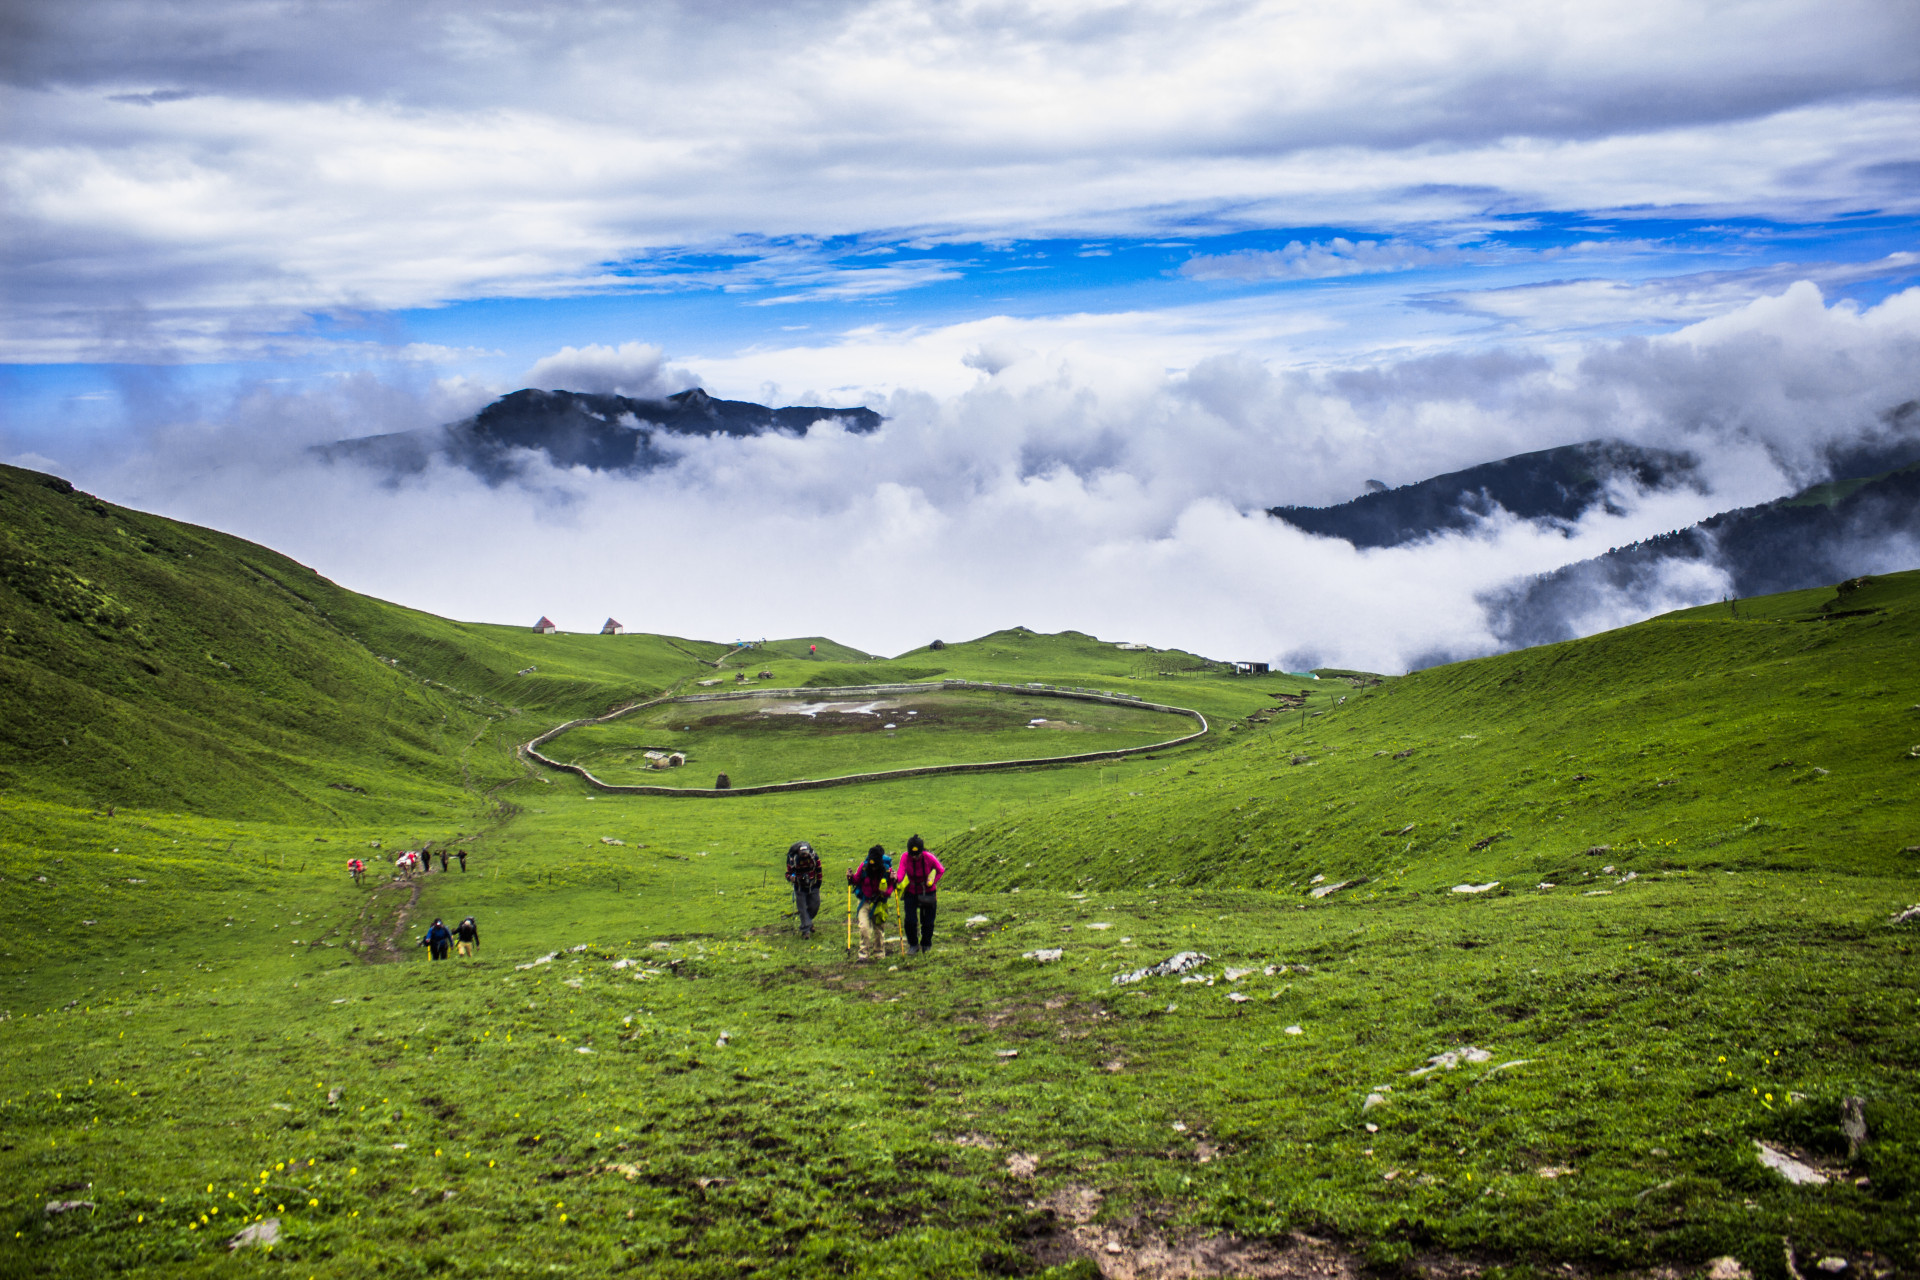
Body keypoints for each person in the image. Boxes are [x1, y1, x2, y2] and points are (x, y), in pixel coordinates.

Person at [898, 834, 945, 955]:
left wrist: (932, 881)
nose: (914, 857)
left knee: (928, 920)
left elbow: (941, 870)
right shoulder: (905, 857)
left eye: (917, 854)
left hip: (928, 891)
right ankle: (913, 945)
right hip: (911, 891)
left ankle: (926, 944)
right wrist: (895, 879)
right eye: (912, 854)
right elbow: (901, 873)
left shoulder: (929, 857)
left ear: (921, 851)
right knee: (910, 920)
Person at [847, 845, 895, 962]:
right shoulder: (863, 867)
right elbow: (856, 880)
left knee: (878, 930)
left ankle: (879, 953)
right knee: (864, 928)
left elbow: (890, 889)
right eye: (871, 866)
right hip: (864, 902)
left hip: (879, 904)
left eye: (875, 866)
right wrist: (850, 877)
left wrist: (888, 888)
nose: (873, 868)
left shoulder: (887, 871)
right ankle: (863, 954)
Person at [786, 840, 823, 939]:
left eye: (806, 854)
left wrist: (818, 883)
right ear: (798, 853)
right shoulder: (793, 860)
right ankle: (806, 931)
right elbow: (788, 873)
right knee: (802, 909)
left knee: (815, 906)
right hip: (799, 887)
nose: (804, 856)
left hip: (813, 885)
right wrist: (791, 878)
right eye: (802, 854)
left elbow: (819, 869)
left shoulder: (814, 857)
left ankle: (808, 923)